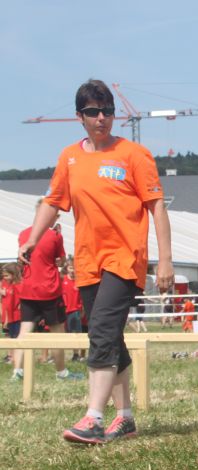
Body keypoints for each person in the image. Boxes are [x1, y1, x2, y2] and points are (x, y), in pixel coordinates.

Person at [19, 79, 174, 444]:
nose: (101, 118)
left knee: (102, 331)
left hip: (125, 257)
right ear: (80, 117)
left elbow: (156, 207)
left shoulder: (134, 154)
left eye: (107, 111)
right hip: (88, 260)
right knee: (108, 335)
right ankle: (126, 418)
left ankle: (93, 418)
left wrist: (165, 260)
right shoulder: (69, 158)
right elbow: (53, 202)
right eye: (93, 112)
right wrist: (33, 239)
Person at [16, 210, 82, 382]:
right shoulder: (54, 236)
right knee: (57, 332)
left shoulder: (23, 234)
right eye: (56, 215)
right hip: (49, 289)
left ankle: (17, 371)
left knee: (24, 331)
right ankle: (61, 372)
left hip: (28, 288)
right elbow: (61, 261)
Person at [61, 263, 85, 361]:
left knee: (77, 333)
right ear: (67, 269)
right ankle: (59, 355)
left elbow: (82, 297)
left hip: (76, 310)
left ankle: (76, 354)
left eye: (75, 268)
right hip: (65, 310)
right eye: (71, 268)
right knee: (66, 333)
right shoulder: (63, 280)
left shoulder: (78, 281)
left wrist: (83, 310)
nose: (73, 270)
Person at [1, 264, 23, 371]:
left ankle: (16, 358)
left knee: (16, 337)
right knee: (11, 336)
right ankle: (12, 357)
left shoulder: (18, 285)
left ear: (13, 274)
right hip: (9, 316)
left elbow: (21, 299)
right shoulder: (8, 285)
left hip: (16, 317)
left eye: (6, 275)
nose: (4, 278)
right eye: (3, 276)